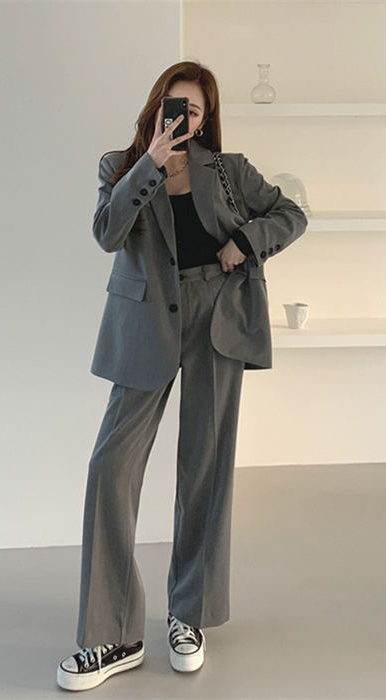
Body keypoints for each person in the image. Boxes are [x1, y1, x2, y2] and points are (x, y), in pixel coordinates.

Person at [57, 60, 308, 692]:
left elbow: (291, 214)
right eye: (174, 105)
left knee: (204, 469)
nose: (182, 118)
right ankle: (113, 632)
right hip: (147, 322)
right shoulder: (119, 166)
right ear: (156, 105)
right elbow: (107, 234)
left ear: (204, 119)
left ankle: (187, 615)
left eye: (193, 111)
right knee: (111, 467)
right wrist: (150, 162)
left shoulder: (228, 169)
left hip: (216, 319)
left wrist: (246, 242)